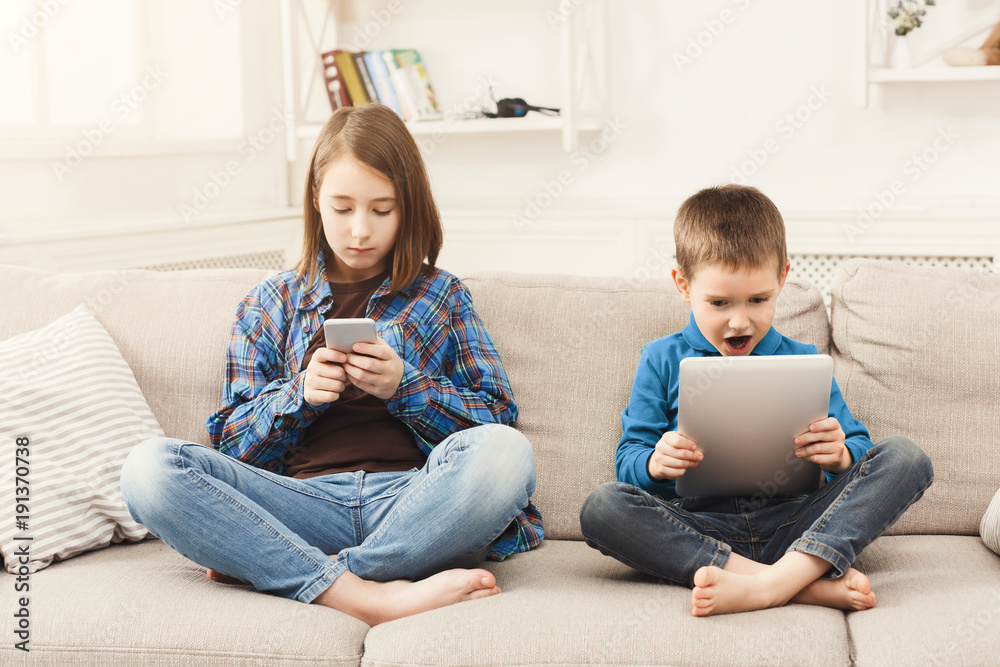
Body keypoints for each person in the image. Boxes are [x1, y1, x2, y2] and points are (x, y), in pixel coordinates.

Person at [120, 103, 542, 627]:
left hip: (414, 502)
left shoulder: (442, 295)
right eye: (343, 208)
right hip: (298, 505)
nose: (360, 230)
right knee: (148, 469)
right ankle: (373, 595)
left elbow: (497, 418)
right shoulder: (268, 303)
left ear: (407, 209)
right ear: (316, 200)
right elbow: (230, 444)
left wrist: (405, 387)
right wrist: (297, 395)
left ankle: (301, 572)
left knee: (507, 453)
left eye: (381, 210)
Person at [578, 184, 933, 617]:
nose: (739, 321)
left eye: (758, 300)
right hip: (703, 527)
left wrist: (839, 454)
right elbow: (628, 463)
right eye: (719, 302)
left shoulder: (803, 361)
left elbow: (861, 450)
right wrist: (656, 463)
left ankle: (767, 585)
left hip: (799, 522)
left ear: (782, 279)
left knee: (906, 457)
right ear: (683, 285)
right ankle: (797, 583)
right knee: (602, 507)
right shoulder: (661, 358)